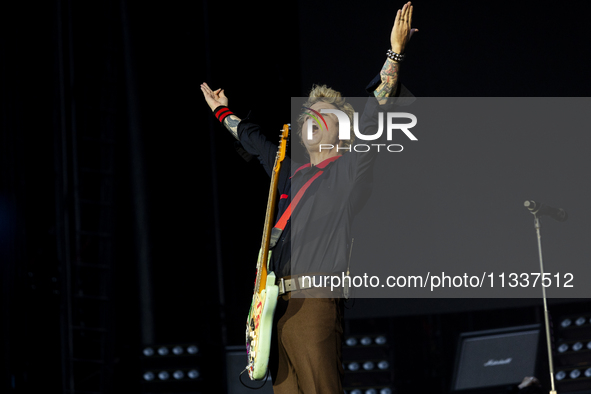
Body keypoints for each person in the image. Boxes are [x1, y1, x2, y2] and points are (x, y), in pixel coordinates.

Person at [201, 3, 417, 392]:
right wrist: (223, 112)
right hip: (273, 308)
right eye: (309, 116)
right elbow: (255, 140)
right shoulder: (288, 173)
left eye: (325, 116)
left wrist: (394, 53)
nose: (313, 119)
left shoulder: (349, 171)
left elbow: (375, 112)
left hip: (315, 301)